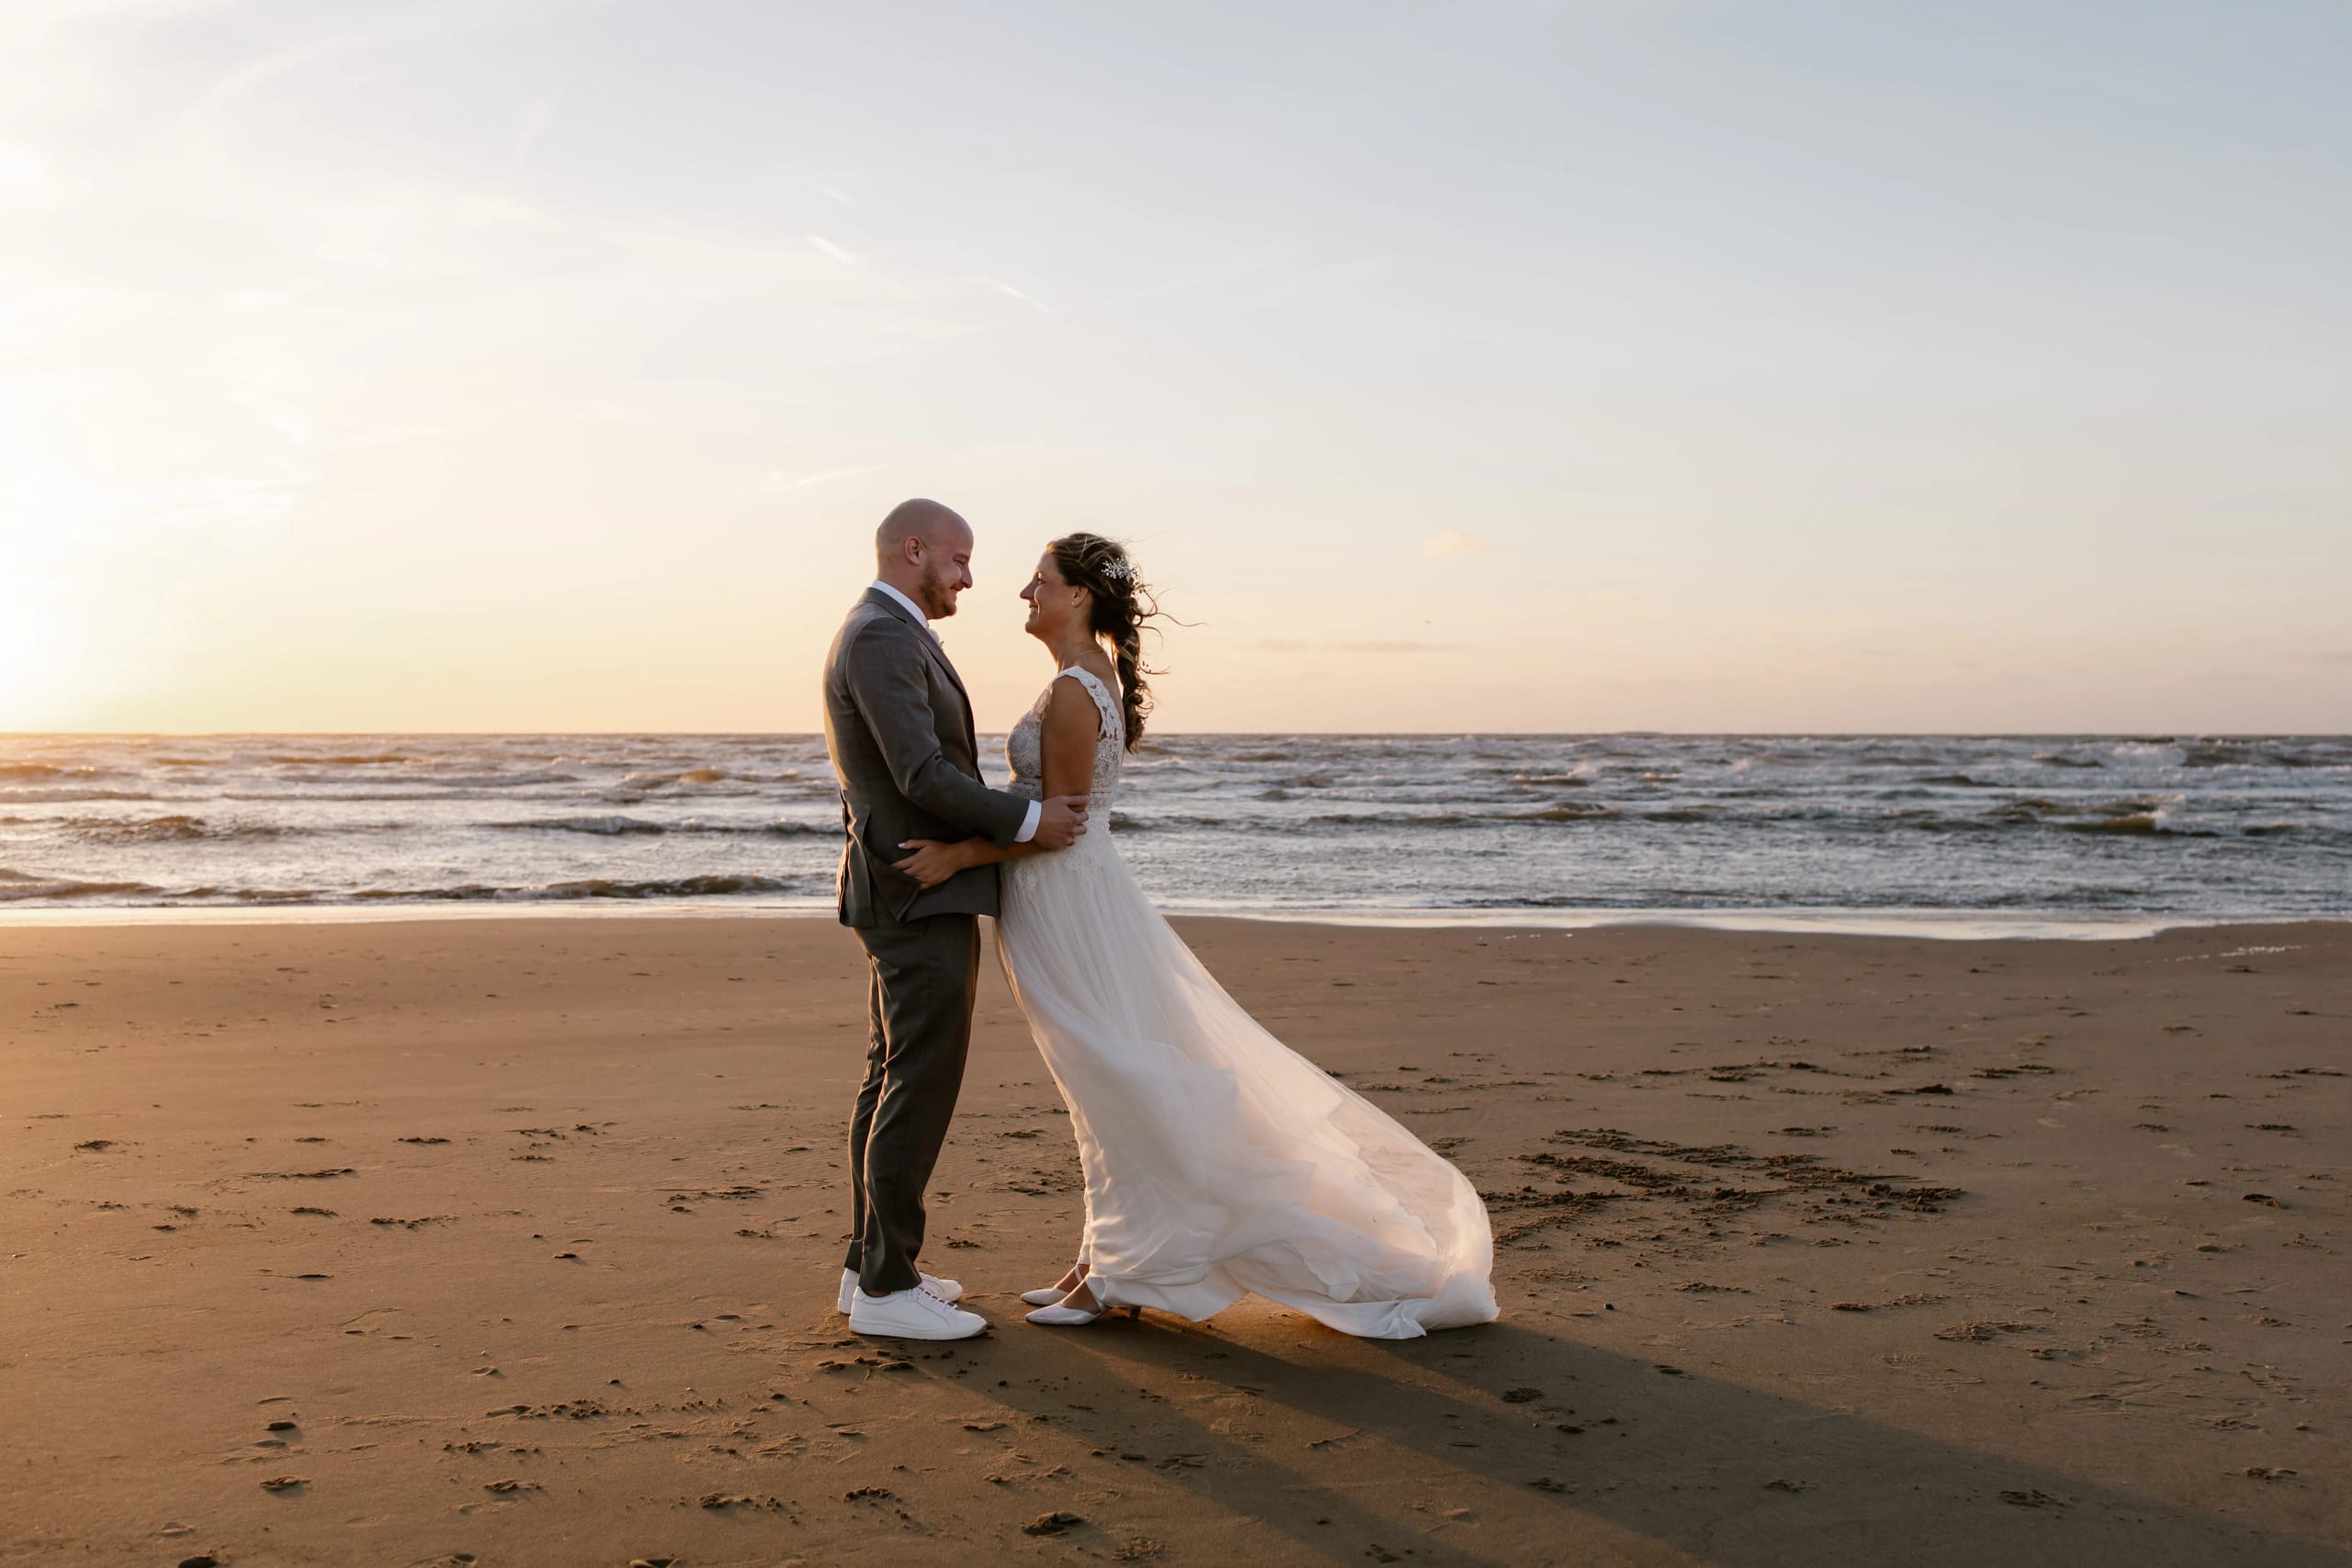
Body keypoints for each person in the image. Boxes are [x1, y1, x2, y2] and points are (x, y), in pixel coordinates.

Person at [892, 534, 1497, 1338]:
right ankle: (1099, 1259)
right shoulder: (1086, 677)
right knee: (1100, 1081)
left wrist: (959, 855)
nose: (1025, 594)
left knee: (1113, 1081)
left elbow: (1060, 825)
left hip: (1065, 902)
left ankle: (1117, 1274)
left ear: (1079, 595)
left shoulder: (1073, 691)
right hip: (1064, 898)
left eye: (1039, 581)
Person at [820, 499, 1089, 1340]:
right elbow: (922, 773)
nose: (970, 579)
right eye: (960, 560)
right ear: (915, 550)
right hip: (914, 890)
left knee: (892, 1075)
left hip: (907, 889)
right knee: (917, 1083)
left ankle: (871, 1266)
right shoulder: (880, 637)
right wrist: (1028, 820)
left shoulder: (892, 633)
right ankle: (887, 1287)